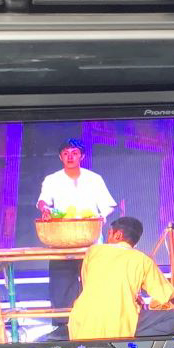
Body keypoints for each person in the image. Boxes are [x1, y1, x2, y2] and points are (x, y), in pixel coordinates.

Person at [37, 138, 119, 331]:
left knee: (94, 281)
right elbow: (42, 201)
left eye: (74, 153)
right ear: (60, 157)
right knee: (62, 282)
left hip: (90, 238)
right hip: (62, 239)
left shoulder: (94, 179)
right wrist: (45, 209)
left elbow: (108, 205)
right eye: (66, 153)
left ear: (82, 156)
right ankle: (63, 325)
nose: (70, 157)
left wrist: (101, 216)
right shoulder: (52, 179)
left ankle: (96, 321)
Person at [68, 217, 174, 341]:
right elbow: (165, 295)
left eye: (109, 234)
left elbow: (87, 283)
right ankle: (134, 340)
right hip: (121, 323)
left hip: (83, 322)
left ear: (118, 235)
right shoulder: (142, 259)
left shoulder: (93, 251)